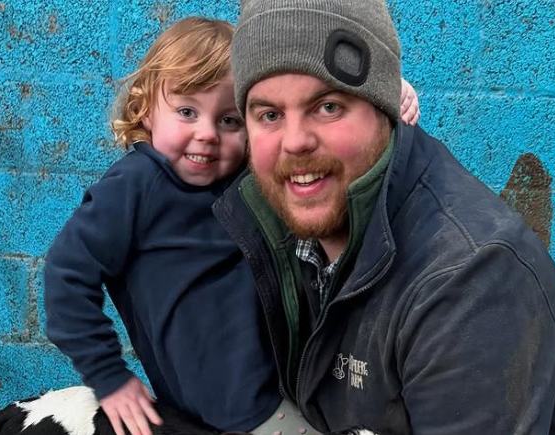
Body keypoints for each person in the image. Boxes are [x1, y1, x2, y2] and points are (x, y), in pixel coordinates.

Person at [212, 1, 555, 434]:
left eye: (327, 107)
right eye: (269, 115)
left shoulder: (470, 278)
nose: (294, 142)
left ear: (384, 108)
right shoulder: (274, 216)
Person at [43, 16, 421, 435]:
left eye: (229, 121)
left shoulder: (241, 179)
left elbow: (325, 156)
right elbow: (65, 276)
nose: (207, 134)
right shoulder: (133, 187)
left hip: (292, 378)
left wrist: (381, 95)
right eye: (187, 111)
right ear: (144, 108)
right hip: (243, 407)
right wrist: (109, 376)